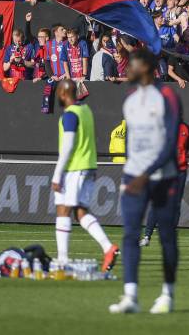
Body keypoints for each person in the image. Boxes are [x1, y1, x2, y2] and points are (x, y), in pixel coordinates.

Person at [109, 49, 181, 315]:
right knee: (129, 234)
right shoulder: (129, 99)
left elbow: (170, 143)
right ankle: (130, 296)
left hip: (164, 178)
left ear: (147, 68)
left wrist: (144, 173)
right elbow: (131, 142)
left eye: (132, 66)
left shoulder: (167, 96)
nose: (127, 70)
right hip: (134, 178)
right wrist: (130, 174)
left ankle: (167, 294)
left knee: (166, 237)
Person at [50, 79, 120, 271]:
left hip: (74, 168)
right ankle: (108, 247)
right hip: (89, 166)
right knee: (81, 212)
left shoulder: (70, 115)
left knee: (63, 210)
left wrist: (57, 175)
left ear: (64, 94)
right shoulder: (86, 111)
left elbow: (68, 146)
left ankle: (62, 260)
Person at [140, 120, 189, 248]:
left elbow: (187, 146)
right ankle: (147, 236)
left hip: (180, 171)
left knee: (176, 204)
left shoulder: (186, 128)